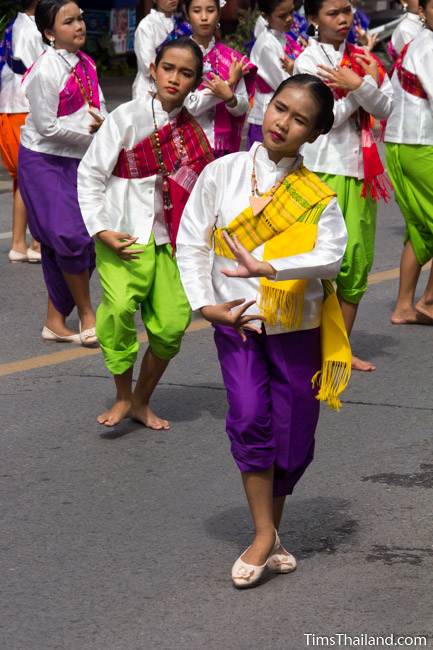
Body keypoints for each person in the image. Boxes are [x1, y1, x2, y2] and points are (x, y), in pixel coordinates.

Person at [176, 75, 350, 588]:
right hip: (239, 323)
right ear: (267, 107)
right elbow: (192, 243)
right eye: (280, 108)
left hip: (299, 327)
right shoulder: (222, 172)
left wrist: (272, 269)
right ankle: (261, 533)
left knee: (293, 437)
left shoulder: (319, 198)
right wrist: (206, 306)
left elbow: (331, 256)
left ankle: (272, 529)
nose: (283, 123)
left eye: (299, 120)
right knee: (251, 418)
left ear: (314, 135)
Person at [77, 38, 214, 429]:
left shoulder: (193, 129)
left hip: (172, 240)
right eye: (168, 68)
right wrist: (101, 228)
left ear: (195, 82)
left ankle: (141, 400)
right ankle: (123, 396)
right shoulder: (126, 117)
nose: (175, 78)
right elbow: (90, 174)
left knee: (171, 325)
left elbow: (204, 190)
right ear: (153, 69)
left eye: (186, 73)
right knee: (118, 311)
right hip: (122, 234)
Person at [294, 0, 393, 372]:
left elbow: (385, 108)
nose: (343, 19)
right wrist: (358, 88)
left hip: (360, 172)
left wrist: (359, 83)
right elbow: (327, 118)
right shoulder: (309, 62)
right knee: (320, 263)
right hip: (322, 171)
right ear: (314, 18)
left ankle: (339, 349)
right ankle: (305, 347)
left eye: (347, 10)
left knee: (356, 263)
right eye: (333, 12)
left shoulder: (358, 57)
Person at [18, 0, 106, 345]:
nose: (79, 26)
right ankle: (87, 314)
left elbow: (99, 108)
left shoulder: (87, 64)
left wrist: (108, 128)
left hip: (80, 159)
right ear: (50, 34)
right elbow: (47, 128)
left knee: (82, 243)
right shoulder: (46, 70)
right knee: (70, 238)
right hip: (45, 162)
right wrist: (92, 138)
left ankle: (55, 320)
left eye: (80, 18)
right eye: (69, 22)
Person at [385, 0, 433, 324]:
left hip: (405, 143)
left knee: (419, 227)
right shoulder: (428, 46)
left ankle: (404, 307)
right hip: (419, 144)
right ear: (423, 10)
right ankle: (429, 302)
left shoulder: (419, 41)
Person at [0, 0, 44, 263]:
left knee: (24, 178)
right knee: (34, 175)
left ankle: (19, 243)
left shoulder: (19, 25)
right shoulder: (30, 31)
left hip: (12, 108)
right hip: (22, 108)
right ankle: (36, 242)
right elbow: (36, 74)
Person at [184, 0, 257, 156]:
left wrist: (231, 99)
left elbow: (243, 106)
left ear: (218, 15)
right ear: (187, 15)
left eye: (210, 10)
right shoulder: (179, 55)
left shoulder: (230, 57)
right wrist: (228, 83)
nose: (204, 17)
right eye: (197, 11)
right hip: (185, 143)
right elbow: (191, 105)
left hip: (220, 147)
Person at [248, 0, 303, 148]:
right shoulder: (267, 44)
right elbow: (285, 83)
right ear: (265, 16)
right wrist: (297, 70)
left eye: (291, 13)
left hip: (283, 108)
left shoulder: (285, 37)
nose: (289, 19)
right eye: (282, 15)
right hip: (267, 111)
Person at [132, 0, 191, 99]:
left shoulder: (181, 23)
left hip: (175, 87)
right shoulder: (147, 25)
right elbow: (147, 65)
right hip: (149, 90)